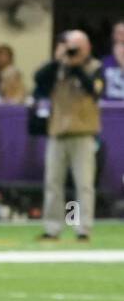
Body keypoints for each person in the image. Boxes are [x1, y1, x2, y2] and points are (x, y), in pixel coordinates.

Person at [34, 30, 102, 241]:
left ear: (87, 48)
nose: (73, 52)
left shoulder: (95, 68)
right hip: (57, 132)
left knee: (83, 185)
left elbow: (94, 89)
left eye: (76, 47)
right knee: (53, 183)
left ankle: (83, 229)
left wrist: (77, 66)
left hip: (83, 133)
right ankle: (52, 228)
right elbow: (39, 80)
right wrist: (59, 60)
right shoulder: (58, 68)